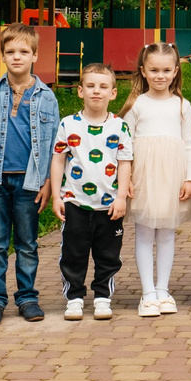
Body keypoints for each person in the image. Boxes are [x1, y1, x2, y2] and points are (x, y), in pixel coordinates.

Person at [0, 23, 61, 326]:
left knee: (27, 243)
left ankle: (27, 298)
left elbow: (53, 144)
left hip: (29, 181)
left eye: (23, 51)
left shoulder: (47, 97)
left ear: (35, 55)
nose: (17, 57)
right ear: (3, 56)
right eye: (10, 52)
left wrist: (48, 182)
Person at [50, 62, 133, 322]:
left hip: (108, 206)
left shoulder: (120, 127)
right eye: (91, 86)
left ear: (113, 93)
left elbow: (125, 162)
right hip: (75, 202)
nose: (96, 91)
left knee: (108, 255)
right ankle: (74, 297)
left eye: (103, 86)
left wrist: (121, 197)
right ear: (80, 91)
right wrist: (56, 196)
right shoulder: (68, 125)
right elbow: (58, 160)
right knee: (73, 253)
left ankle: (102, 297)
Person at [122, 42, 191, 317]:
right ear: (143, 71)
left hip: (172, 176)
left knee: (166, 234)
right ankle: (148, 292)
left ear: (176, 71)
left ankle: (163, 290)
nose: (160, 76)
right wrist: (126, 178)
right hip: (144, 176)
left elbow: (190, 143)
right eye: (154, 70)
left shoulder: (182, 105)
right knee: (143, 233)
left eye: (166, 70)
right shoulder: (136, 104)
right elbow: (124, 144)